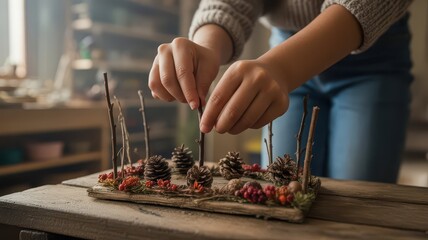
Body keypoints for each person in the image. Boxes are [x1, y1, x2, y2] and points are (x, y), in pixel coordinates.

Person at [148, 0, 413, 183]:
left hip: (373, 54)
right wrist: (206, 45)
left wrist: (283, 69)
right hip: (281, 52)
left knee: (359, 200)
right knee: (281, 186)